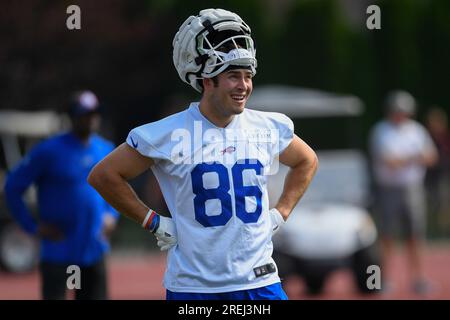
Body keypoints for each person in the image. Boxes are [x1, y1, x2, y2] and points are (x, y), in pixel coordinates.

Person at [88, 8, 318, 300]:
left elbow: (306, 160)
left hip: (259, 282)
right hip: (195, 288)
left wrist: (281, 212)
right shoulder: (167, 134)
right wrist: (152, 221)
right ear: (208, 80)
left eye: (248, 76)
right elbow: (104, 175)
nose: (244, 85)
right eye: (234, 76)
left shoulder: (267, 126)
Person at [4, 90, 119, 300]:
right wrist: (32, 226)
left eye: (95, 113)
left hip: (93, 251)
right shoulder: (49, 151)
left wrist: (112, 214)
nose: (91, 118)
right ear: (72, 116)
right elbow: (13, 187)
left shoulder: (106, 149)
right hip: (61, 253)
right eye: (85, 113)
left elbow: (117, 187)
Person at [369, 90, 438, 295]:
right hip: (388, 189)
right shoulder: (381, 130)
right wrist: (415, 157)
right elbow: (389, 161)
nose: (401, 114)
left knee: (415, 236)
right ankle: (380, 281)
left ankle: (419, 279)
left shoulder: (417, 131)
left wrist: (405, 159)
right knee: (387, 236)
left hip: (412, 189)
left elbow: (431, 157)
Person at [424, 107, 450, 235]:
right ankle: (430, 231)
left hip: (442, 176)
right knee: (428, 205)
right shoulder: (425, 138)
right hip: (427, 177)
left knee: (443, 205)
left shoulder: (445, 139)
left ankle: (442, 232)